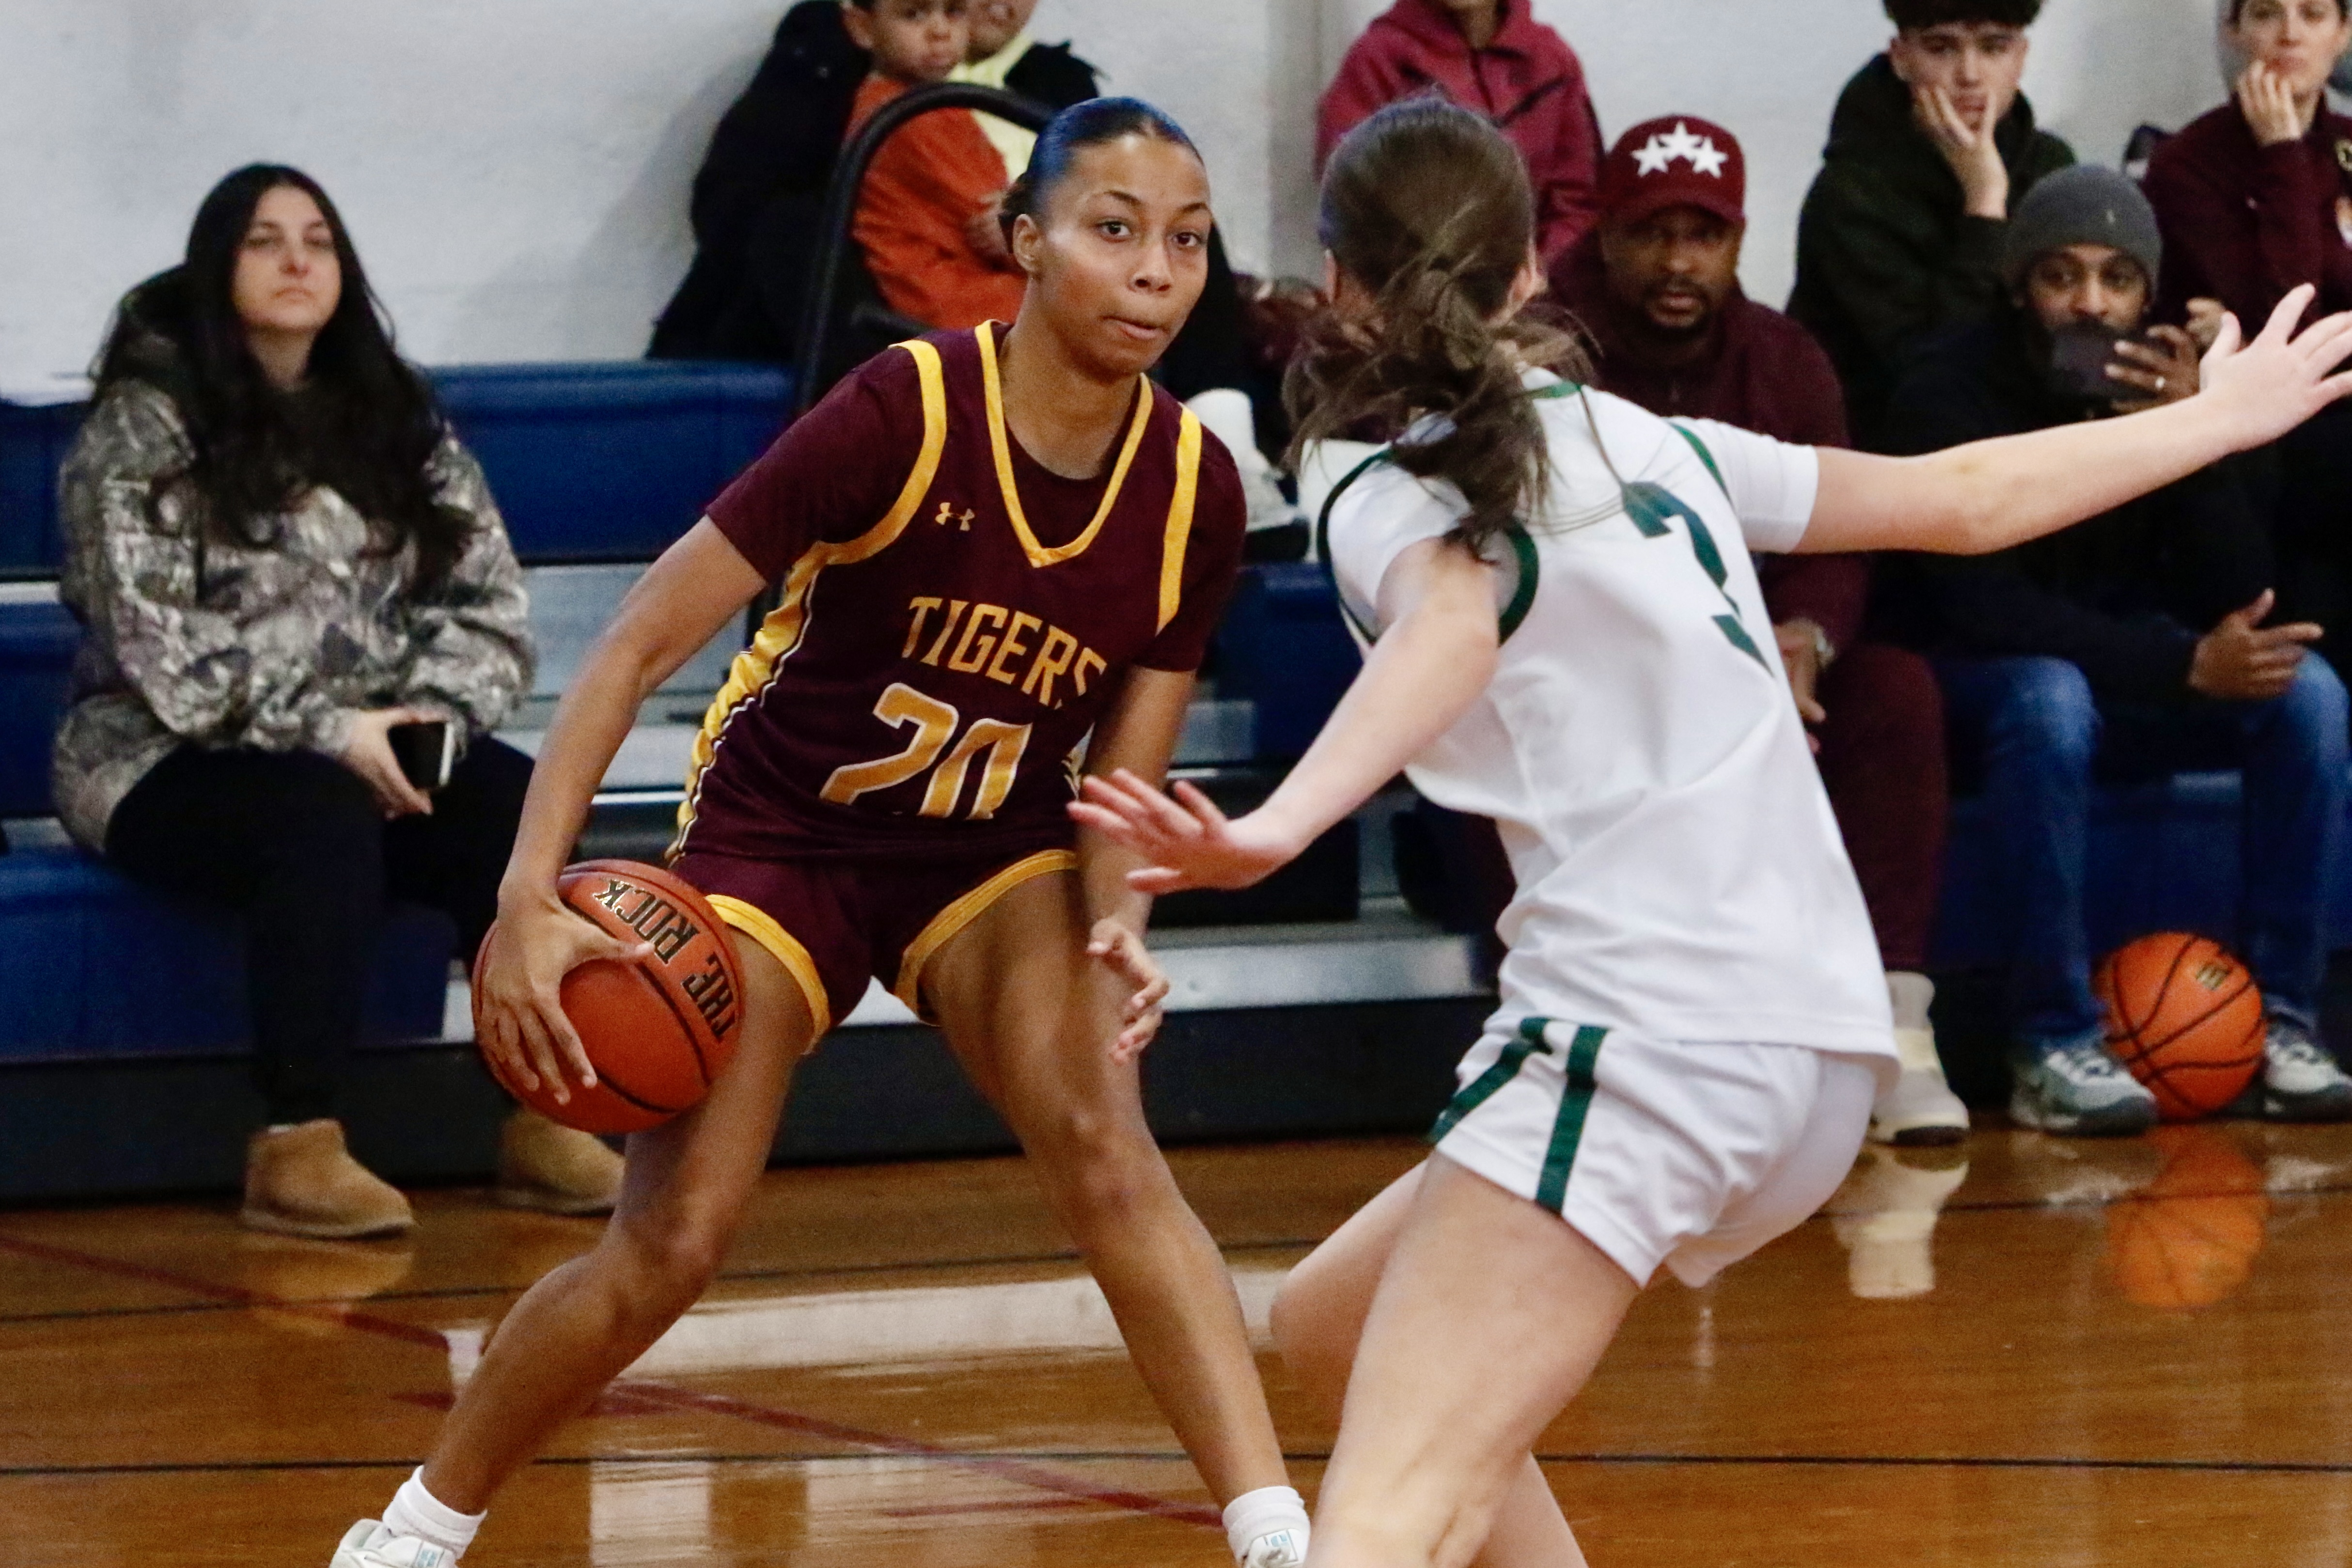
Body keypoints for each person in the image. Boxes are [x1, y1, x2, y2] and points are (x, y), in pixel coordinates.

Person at [1072, 99, 2352, 1568]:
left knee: (1370, 1527)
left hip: (1648, 1032)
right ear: (1531, 271)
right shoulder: (1650, 439)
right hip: (1817, 1049)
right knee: (1333, 1323)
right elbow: (1961, 498)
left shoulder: (1369, 478)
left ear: (1340, 285)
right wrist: (2214, 417)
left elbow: (1452, 620)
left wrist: (1276, 826)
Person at [329, 101, 1311, 1568]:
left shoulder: (1193, 488)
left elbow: (1125, 766)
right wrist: (526, 892)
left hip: (988, 852)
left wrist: (1120, 921)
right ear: (1026, 241)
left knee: (1106, 1146)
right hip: (781, 837)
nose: (1156, 271)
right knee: (673, 1242)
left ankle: (1280, 1535)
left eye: (1186, 239)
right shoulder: (901, 407)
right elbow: (631, 646)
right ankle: (411, 1531)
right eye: (1114, 230)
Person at [51, 166, 624, 1239]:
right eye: (264, 240)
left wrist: (429, 725)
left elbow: (490, 603)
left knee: (516, 808)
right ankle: (295, 1141)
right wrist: (335, 734)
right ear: (216, 266)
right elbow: (157, 647)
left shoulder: (394, 414)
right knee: (316, 821)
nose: (297, 261)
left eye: (318, 240)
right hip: (157, 754)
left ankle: (546, 1116)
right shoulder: (143, 427)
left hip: (374, 736)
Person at [1882, 165, 2352, 1131]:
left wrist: (2197, 437)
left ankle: (2285, 1022)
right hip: (1979, 672)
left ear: (2148, 293)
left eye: (2115, 278)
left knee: (2308, 693)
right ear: (2019, 286)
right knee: (2048, 699)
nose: (2090, 303)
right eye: (2061, 275)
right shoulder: (1949, 384)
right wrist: (2179, 667)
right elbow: (1982, 606)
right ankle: (2049, 1038)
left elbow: (2241, 592)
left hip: (2127, 664)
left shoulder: (2167, 381)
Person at [1552, 113, 1965, 1145]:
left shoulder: (1785, 358)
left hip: (1761, 659)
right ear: (1605, 235)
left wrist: (1803, 638)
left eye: (1704, 235)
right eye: (1652, 233)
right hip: (1603, 666)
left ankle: (1897, 1025)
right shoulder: (1546, 354)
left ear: (1739, 240)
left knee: (1895, 692)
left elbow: (1842, 535)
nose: (1678, 262)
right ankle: (1592, 1043)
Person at [2146, 0, 2352, 673]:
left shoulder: (2348, 146)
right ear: (2232, 31)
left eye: (2312, 13)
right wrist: (2282, 153)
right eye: (2265, 13)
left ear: (2343, 33)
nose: (2290, 33)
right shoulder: (2186, 164)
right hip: (2252, 450)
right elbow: (2287, 322)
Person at [1789, 0, 2072, 450]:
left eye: (1993, 48)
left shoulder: (2050, 166)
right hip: (1888, 454)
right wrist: (1984, 203)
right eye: (1942, 48)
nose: (1969, 75)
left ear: (2021, 58)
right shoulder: (1849, 193)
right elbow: (1928, 382)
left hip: (2035, 444)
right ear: (1901, 58)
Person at [1317, 0, 1602, 266]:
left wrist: (1536, 275)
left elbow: (1578, 200)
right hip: (1416, 279)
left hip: (1536, 282)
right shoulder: (1380, 59)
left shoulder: (1551, 60)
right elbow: (1350, 193)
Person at [841, 0, 1029, 332]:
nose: (941, 32)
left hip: (970, 290)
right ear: (862, 27)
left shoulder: (932, 103)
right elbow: (995, 221)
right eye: (914, 14)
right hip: (954, 301)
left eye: (954, 11)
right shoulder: (905, 117)